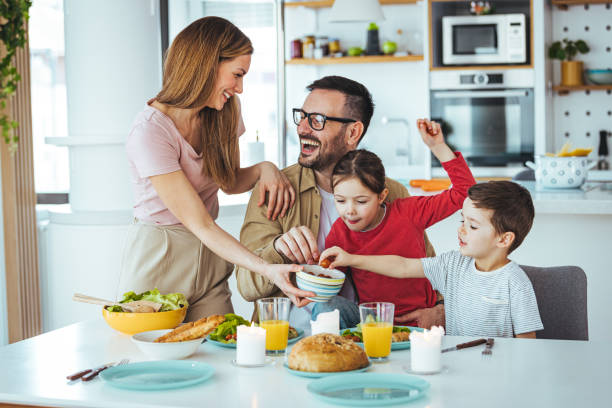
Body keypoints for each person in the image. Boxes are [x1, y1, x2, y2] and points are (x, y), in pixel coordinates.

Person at [117, 16, 313, 322]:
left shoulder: (223, 112)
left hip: (208, 257)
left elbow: (228, 181)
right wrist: (265, 268)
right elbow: (199, 223)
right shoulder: (150, 132)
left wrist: (265, 168)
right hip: (160, 256)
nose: (240, 88)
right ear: (207, 63)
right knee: (153, 363)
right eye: (237, 75)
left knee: (224, 350)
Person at [236, 75, 441, 331]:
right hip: (287, 340)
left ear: (353, 132)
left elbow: (430, 269)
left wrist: (439, 311)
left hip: (368, 337)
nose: (302, 128)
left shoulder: (392, 193)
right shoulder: (275, 189)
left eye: (317, 120)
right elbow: (245, 286)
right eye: (302, 116)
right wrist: (278, 248)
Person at [321, 180, 543, 338]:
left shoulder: (515, 283)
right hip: (455, 364)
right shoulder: (453, 264)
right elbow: (402, 265)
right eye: (462, 221)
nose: (462, 231)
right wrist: (350, 258)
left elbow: (527, 345)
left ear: (504, 240)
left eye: (473, 226)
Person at [316, 119, 476, 327]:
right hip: (372, 323)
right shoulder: (340, 232)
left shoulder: (409, 212)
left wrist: (438, 147)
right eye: (340, 201)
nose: (349, 211)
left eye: (361, 201)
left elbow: (465, 191)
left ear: (382, 196)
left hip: (419, 321)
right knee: (324, 306)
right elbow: (329, 281)